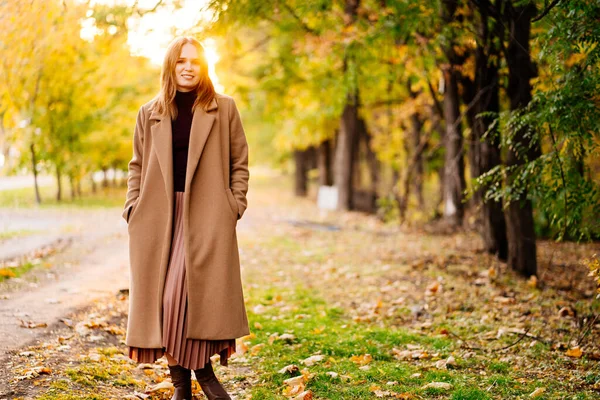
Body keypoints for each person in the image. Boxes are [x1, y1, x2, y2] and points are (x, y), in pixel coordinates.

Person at [122, 36, 250, 400]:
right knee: (163, 302)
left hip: (207, 217)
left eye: (195, 61)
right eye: (181, 61)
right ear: (170, 65)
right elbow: (137, 165)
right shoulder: (149, 113)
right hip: (158, 219)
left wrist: (232, 206)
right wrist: (132, 207)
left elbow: (239, 163)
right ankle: (184, 385)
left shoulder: (223, 109)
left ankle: (202, 379)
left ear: (204, 66)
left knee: (189, 297)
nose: (188, 66)